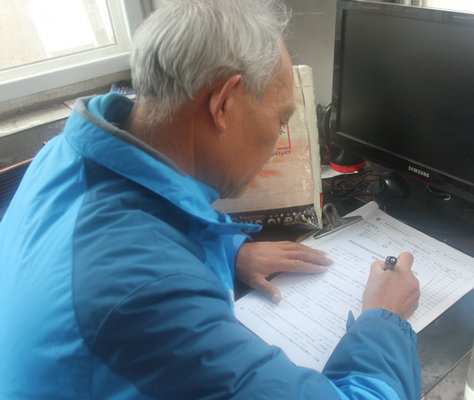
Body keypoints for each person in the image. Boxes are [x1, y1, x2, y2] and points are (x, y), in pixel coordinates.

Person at [0, 0, 421, 399]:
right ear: (224, 104)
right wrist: (383, 317)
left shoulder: (66, 153)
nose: (278, 139)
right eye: (280, 121)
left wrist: (228, 251)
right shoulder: (149, 295)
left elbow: (148, 212)